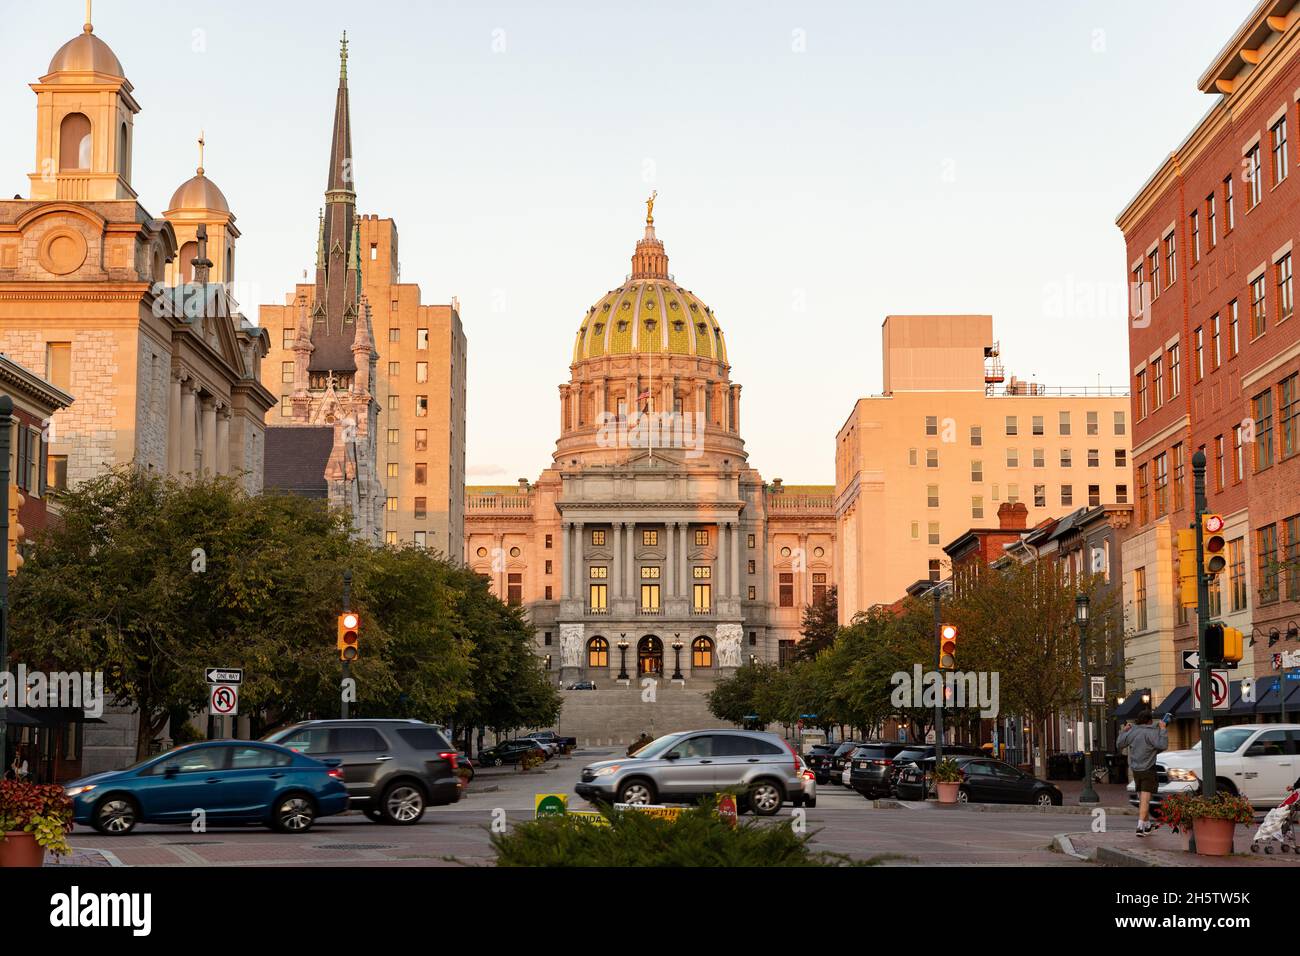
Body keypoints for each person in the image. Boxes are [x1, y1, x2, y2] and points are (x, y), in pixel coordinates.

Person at [1116, 710, 1168, 837]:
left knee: (1142, 798)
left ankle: (1147, 825)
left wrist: (1124, 731)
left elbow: (1119, 744)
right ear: (1150, 720)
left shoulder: (1133, 731)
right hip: (1148, 769)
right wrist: (1163, 729)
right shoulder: (1151, 732)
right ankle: (1140, 826)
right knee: (1145, 798)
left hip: (1135, 769)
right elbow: (1162, 745)